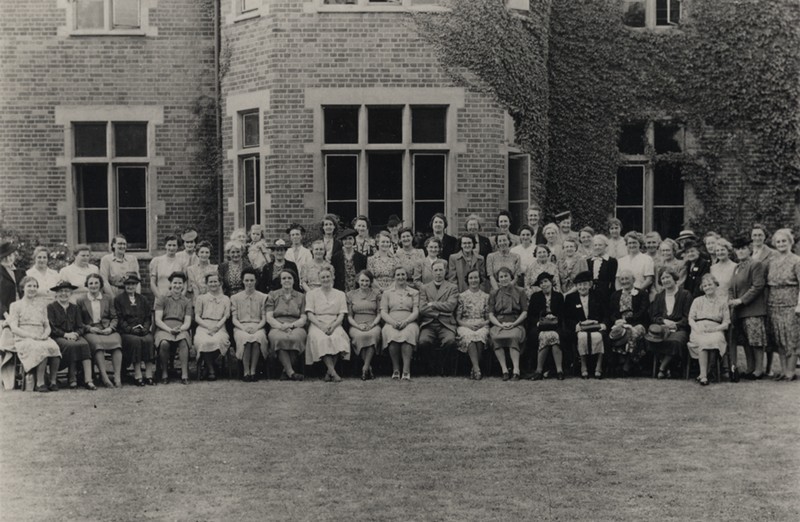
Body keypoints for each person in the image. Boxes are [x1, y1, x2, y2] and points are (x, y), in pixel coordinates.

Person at [6, 276, 61, 392]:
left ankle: (53, 381)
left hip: (41, 336)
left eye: (35, 286)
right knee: (40, 347)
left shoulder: (42, 305)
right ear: (23, 288)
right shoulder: (15, 305)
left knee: (54, 346)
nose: (32, 289)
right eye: (29, 286)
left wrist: (46, 334)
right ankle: (40, 383)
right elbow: (14, 328)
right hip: (23, 337)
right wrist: (31, 336)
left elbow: (47, 325)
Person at [729, 236, 767, 380]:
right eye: (738, 249)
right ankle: (750, 368)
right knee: (745, 341)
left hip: (753, 309)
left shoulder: (755, 264)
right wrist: (731, 299)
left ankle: (758, 370)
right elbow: (732, 287)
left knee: (756, 340)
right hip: (740, 311)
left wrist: (741, 300)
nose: (741, 252)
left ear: (749, 249)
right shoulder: (736, 267)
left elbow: (758, 286)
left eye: (743, 248)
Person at [47, 280, 95, 390]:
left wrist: (76, 334)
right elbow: (52, 327)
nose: (64, 293)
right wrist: (65, 334)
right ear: (56, 293)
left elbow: (80, 326)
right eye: (61, 291)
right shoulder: (51, 307)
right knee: (71, 345)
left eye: (67, 291)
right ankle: (72, 377)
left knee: (84, 344)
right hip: (58, 337)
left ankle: (88, 380)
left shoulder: (75, 308)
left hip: (74, 336)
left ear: (71, 293)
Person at [765, 228, 800, 381]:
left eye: (784, 241)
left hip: (790, 304)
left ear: (790, 242)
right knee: (778, 338)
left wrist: (799, 305)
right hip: (773, 304)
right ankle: (783, 370)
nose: (781, 244)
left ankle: (791, 372)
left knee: (791, 337)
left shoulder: (796, 261)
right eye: (778, 241)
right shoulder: (772, 261)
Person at [78, 273, 124, 388]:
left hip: (107, 329)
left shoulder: (108, 298)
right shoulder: (81, 300)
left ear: (101, 285)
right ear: (87, 285)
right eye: (91, 283)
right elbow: (78, 322)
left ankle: (117, 377)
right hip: (91, 331)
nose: (93, 286)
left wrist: (110, 328)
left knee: (116, 344)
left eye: (96, 283)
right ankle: (105, 377)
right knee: (98, 345)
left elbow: (114, 317)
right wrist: (90, 328)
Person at [305, 267, 350, 382]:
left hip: (334, 323)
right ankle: (333, 372)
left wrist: (333, 326)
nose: (325, 279)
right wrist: (321, 327)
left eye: (327, 276)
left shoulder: (340, 294)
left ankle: (329, 372)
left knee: (337, 337)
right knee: (321, 339)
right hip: (317, 323)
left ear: (332, 277)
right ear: (319, 279)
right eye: (323, 277)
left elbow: (341, 314)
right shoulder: (312, 294)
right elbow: (310, 314)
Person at [646, 268, 693, 379]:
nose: (665, 280)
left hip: (680, 328)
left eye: (668, 277)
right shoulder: (659, 296)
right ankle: (669, 367)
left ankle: (662, 368)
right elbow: (654, 316)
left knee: (675, 341)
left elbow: (688, 316)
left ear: (674, 278)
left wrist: (676, 325)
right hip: (662, 328)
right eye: (663, 278)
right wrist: (663, 322)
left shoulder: (685, 294)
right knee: (653, 340)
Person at [688, 273, 731, 386]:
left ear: (716, 285)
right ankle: (704, 374)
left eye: (710, 284)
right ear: (702, 288)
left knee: (712, 340)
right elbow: (691, 319)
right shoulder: (697, 301)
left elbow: (726, 323)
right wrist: (697, 329)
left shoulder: (722, 302)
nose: (708, 287)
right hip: (699, 329)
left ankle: (705, 374)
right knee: (703, 341)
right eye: (705, 285)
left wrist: (715, 329)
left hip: (716, 329)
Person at [418, 259, 459, 376]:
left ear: (445, 271)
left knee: (450, 341)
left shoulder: (452, 287)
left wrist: (433, 304)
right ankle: (432, 367)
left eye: (441, 270)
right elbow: (422, 309)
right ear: (432, 272)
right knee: (423, 342)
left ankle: (444, 367)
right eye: (436, 270)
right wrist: (439, 313)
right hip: (429, 323)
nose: (438, 273)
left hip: (446, 323)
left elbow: (450, 306)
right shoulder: (424, 288)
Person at [114, 272, 155, 386]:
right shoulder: (119, 300)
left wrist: (146, 328)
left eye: (133, 284)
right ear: (124, 285)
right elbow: (119, 319)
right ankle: (138, 374)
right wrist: (130, 329)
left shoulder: (143, 299)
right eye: (128, 284)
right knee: (135, 341)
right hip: (127, 332)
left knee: (149, 340)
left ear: (137, 285)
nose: (130, 286)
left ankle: (149, 374)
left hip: (142, 330)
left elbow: (148, 317)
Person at [564, 271, 607, 379]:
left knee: (598, 336)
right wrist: (576, 325)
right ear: (576, 286)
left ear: (590, 285)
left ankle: (599, 365)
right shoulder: (570, 298)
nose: (582, 287)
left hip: (596, 326)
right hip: (581, 327)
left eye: (584, 284)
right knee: (581, 336)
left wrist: (604, 324)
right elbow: (567, 317)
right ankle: (583, 365)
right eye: (579, 285)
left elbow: (606, 313)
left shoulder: (598, 295)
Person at [266, 269, 307, 381]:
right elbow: (269, 317)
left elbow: (303, 317)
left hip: (296, 325)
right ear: (280, 281)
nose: (286, 280)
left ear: (294, 280)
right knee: (279, 338)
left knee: (295, 338)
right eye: (284, 278)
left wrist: (292, 326)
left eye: (289, 278)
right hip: (277, 325)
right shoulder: (273, 295)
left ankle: (286, 371)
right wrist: (281, 326)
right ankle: (291, 372)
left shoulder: (301, 296)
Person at [488, 266, 528, 381]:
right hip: (499, 324)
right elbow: (491, 314)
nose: (504, 279)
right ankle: (504, 370)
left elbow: (525, 311)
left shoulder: (520, 291)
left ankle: (516, 370)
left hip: (516, 323)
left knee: (513, 336)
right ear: (498, 279)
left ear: (511, 277)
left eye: (506, 276)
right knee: (495, 337)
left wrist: (514, 324)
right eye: (501, 277)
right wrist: (499, 325)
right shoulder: (494, 293)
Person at [380, 266, 420, 380]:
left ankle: (406, 370)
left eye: (403, 274)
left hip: (409, 322)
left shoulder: (414, 292)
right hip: (391, 322)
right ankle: (396, 369)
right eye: (398, 275)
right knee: (392, 335)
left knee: (407, 335)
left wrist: (406, 321)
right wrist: (392, 322)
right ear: (394, 277)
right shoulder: (387, 293)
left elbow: (416, 311)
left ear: (407, 277)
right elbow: (383, 312)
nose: (401, 277)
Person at [154, 272, 193, 385]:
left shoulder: (186, 301)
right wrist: (169, 330)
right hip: (164, 328)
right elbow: (157, 320)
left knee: (183, 341)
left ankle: (184, 374)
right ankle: (165, 372)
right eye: (175, 283)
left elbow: (187, 322)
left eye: (180, 283)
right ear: (170, 284)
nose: (177, 285)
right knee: (164, 343)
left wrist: (180, 329)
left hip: (181, 328)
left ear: (183, 285)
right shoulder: (162, 298)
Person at [608, 269, 649, 376]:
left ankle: (627, 364)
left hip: (637, 322)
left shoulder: (642, 294)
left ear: (633, 280)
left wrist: (627, 320)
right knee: (615, 333)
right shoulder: (615, 295)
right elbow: (611, 313)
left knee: (632, 333)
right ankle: (620, 360)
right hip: (620, 323)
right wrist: (616, 320)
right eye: (622, 279)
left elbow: (642, 311)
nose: (625, 281)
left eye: (627, 278)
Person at [231, 268, 267, 382]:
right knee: (245, 338)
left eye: (252, 280)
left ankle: (253, 371)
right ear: (242, 281)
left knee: (257, 338)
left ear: (256, 281)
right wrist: (243, 328)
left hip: (258, 326)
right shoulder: (235, 298)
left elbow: (264, 318)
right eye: (246, 280)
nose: (249, 283)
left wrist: (256, 327)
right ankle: (246, 371)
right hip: (241, 326)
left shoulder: (263, 297)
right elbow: (234, 319)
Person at [527, 272, 565, 381]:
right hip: (540, 326)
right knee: (543, 335)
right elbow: (531, 316)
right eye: (541, 283)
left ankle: (559, 370)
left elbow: (563, 314)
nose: (544, 284)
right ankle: (539, 370)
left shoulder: (558, 296)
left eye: (546, 281)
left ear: (551, 283)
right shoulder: (535, 297)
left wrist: (554, 318)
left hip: (555, 325)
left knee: (555, 335)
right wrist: (538, 322)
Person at [193, 272, 231, 382]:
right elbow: (197, 317)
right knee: (203, 341)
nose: (213, 284)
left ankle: (210, 365)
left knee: (219, 340)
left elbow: (226, 316)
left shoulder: (226, 299)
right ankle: (211, 369)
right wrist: (207, 326)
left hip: (219, 326)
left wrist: (216, 327)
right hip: (203, 325)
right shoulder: (201, 298)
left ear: (220, 283)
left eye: (215, 281)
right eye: (211, 282)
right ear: (207, 284)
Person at [346, 270, 382, 380]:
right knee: (359, 336)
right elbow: (349, 316)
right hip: (356, 324)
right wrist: (358, 326)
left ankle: (365, 367)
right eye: (362, 280)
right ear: (358, 281)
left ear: (371, 281)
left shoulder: (376, 294)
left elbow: (380, 313)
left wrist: (373, 325)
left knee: (373, 335)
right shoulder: (350, 294)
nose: (364, 283)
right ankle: (368, 368)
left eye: (367, 281)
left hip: (373, 323)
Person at [455, 268, 490, 380]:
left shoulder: (486, 296)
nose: (473, 280)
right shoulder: (462, 296)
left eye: (476, 277)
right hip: (466, 324)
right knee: (469, 335)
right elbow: (458, 318)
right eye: (471, 278)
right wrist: (467, 325)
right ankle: (477, 368)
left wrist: (482, 324)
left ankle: (474, 368)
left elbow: (489, 317)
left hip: (482, 323)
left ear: (480, 280)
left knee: (480, 335)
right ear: (467, 280)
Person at [0, 241, 25, 390]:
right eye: (9, 255)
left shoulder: (20, 272)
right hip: (3, 314)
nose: (12, 257)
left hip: (21, 313)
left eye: (13, 254)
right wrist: (6, 315)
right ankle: (7, 375)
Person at [99, 235, 139, 299]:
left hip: (130, 292)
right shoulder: (106, 259)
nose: (122, 246)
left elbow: (137, 280)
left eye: (124, 244)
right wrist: (113, 298)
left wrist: (137, 297)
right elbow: (104, 281)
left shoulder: (132, 259)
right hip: (113, 292)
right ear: (113, 245)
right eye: (120, 244)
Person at [148, 235, 186, 300]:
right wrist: (159, 298)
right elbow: (152, 283)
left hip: (177, 299)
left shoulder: (182, 262)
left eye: (174, 245)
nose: (171, 248)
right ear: (165, 246)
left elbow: (185, 284)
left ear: (177, 247)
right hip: (160, 297)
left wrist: (179, 299)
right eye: (169, 245)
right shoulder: (156, 261)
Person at [331, 228, 368, 293]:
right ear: (342, 241)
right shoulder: (335, 257)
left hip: (357, 291)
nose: (347, 241)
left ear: (354, 240)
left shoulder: (361, 258)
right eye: (345, 239)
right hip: (340, 291)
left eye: (350, 238)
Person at [587, 234, 618, 305]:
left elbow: (613, 279)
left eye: (600, 245)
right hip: (591, 291)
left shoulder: (612, 261)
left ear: (606, 246)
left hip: (606, 292)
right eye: (595, 245)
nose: (597, 247)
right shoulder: (589, 261)